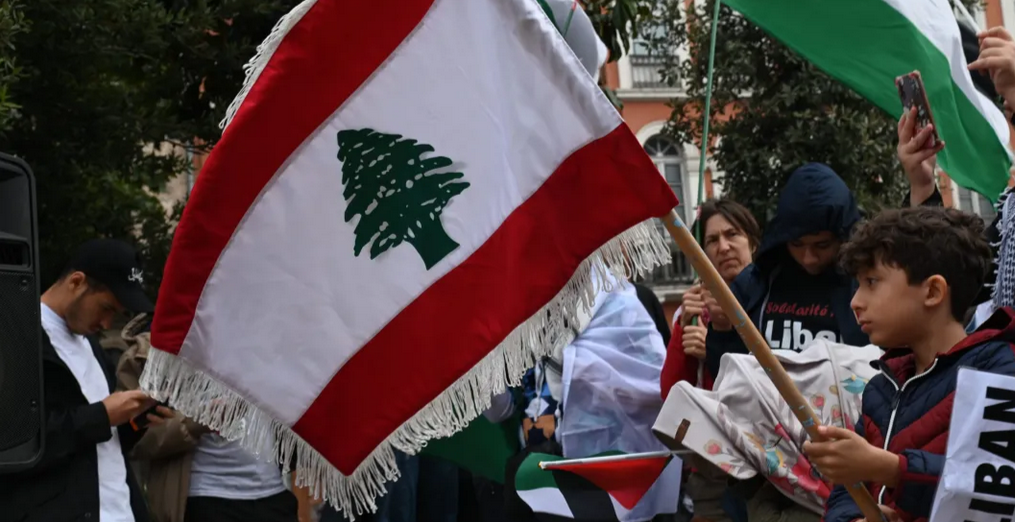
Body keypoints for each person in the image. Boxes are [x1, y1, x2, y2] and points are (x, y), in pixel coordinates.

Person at [805, 206, 1015, 522]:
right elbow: (847, 492)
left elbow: (995, 489)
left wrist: (893, 470)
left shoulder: (998, 372)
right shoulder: (880, 388)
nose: (856, 301)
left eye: (872, 282)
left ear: (932, 291)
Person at [0, 238, 164, 522]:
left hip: (122, 511)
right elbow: (16, 446)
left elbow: (99, 446)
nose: (105, 324)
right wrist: (102, 415)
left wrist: (135, 420)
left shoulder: (92, 346)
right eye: (106, 308)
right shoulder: (18, 339)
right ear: (76, 282)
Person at [115, 314, 300, 522]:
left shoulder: (274, 344)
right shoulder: (153, 352)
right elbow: (132, 439)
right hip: (205, 497)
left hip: (273, 495)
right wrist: (195, 424)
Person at [704, 163, 868, 381]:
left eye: (822, 245)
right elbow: (727, 377)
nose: (808, 257)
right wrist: (722, 329)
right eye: (797, 244)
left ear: (844, 238)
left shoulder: (867, 283)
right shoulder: (755, 283)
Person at [660, 198, 761, 397]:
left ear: (753, 243)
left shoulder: (769, 301)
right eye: (712, 240)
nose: (724, 248)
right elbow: (670, 393)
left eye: (732, 234)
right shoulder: (694, 310)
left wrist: (714, 348)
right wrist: (684, 327)